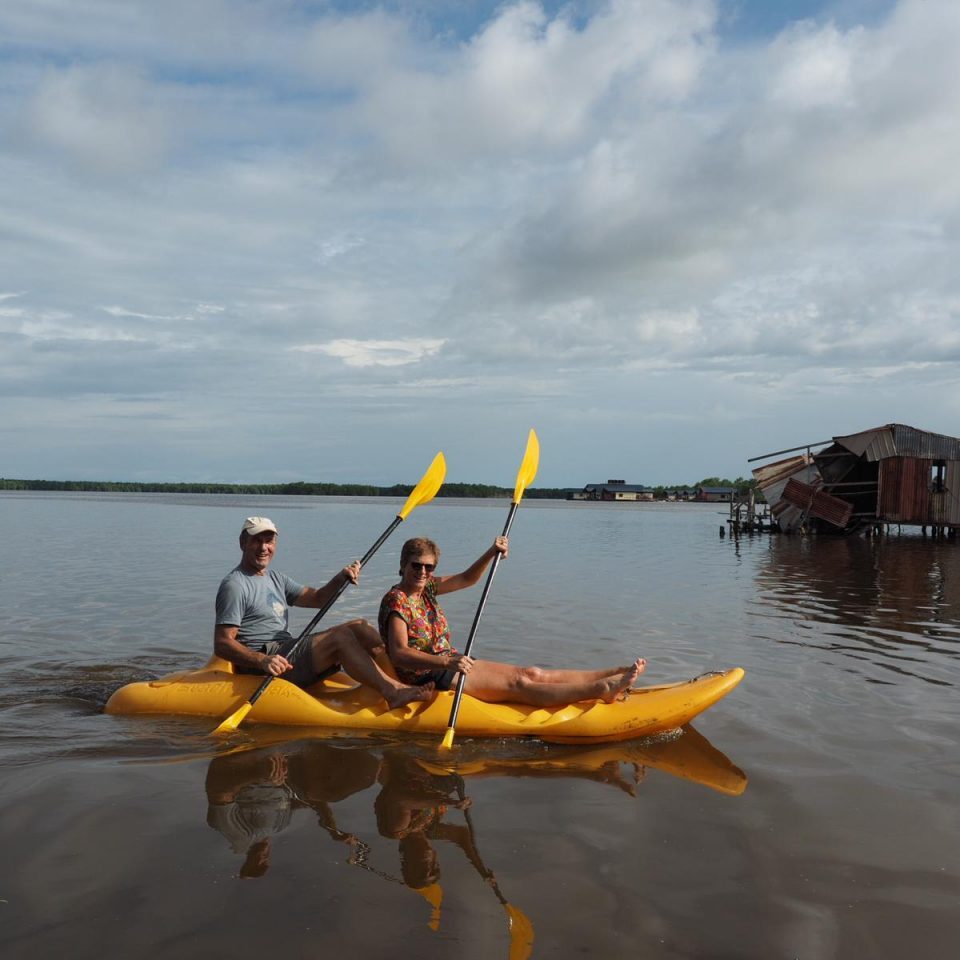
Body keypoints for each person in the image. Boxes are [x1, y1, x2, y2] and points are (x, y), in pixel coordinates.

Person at [378, 535, 645, 706]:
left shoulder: (429, 588)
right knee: (519, 684)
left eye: (429, 567)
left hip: (449, 660)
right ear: (403, 565)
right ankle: (600, 689)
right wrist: (448, 662)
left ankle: (611, 673)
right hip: (427, 673)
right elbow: (400, 654)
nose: (423, 572)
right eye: (416, 565)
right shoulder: (397, 599)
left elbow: (467, 578)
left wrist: (491, 552)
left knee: (531, 672)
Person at [215, 516, 433, 710]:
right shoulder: (235, 585)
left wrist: (341, 577)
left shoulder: (275, 578)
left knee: (359, 626)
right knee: (340, 638)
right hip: (263, 663)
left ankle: (403, 680)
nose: (264, 547)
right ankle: (392, 692)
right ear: (243, 543)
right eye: (257, 540)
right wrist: (262, 660)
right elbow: (223, 643)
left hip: (285, 649)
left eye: (269, 541)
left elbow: (318, 598)